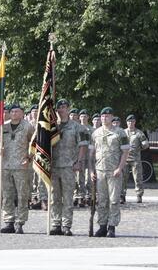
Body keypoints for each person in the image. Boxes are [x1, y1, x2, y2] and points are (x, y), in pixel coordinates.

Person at [89, 107, 130, 238]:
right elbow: (91, 154)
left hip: (114, 171)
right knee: (102, 200)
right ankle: (102, 226)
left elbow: (125, 152)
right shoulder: (95, 133)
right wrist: (91, 170)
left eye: (107, 116)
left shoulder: (120, 133)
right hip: (100, 171)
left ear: (112, 117)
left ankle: (111, 227)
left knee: (113, 200)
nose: (104, 118)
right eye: (102, 116)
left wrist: (120, 167)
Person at [50, 100, 89, 236]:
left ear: (68, 109)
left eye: (64, 107)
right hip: (54, 166)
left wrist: (79, 161)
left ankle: (66, 225)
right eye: (59, 108)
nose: (61, 110)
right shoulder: (52, 127)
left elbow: (83, 145)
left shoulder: (78, 127)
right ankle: (56, 223)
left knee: (67, 197)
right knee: (54, 197)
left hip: (69, 166)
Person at [0, 104, 35, 234]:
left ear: (22, 113)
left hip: (21, 166)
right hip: (6, 165)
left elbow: (35, 144)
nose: (13, 113)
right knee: (7, 195)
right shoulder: (4, 126)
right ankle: (8, 221)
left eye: (16, 111)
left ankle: (20, 222)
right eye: (12, 111)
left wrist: (29, 158)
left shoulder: (28, 127)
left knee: (22, 195)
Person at [122, 114, 149, 204]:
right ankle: (122, 195)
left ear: (135, 122)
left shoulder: (139, 133)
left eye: (132, 121)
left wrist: (139, 148)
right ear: (126, 123)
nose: (130, 123)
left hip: (135, 159)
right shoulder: (122, 132)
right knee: (123, 178)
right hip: (124, 159)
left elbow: (145, 144)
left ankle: (139, 195)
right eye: (129, 122)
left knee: (138, 178)